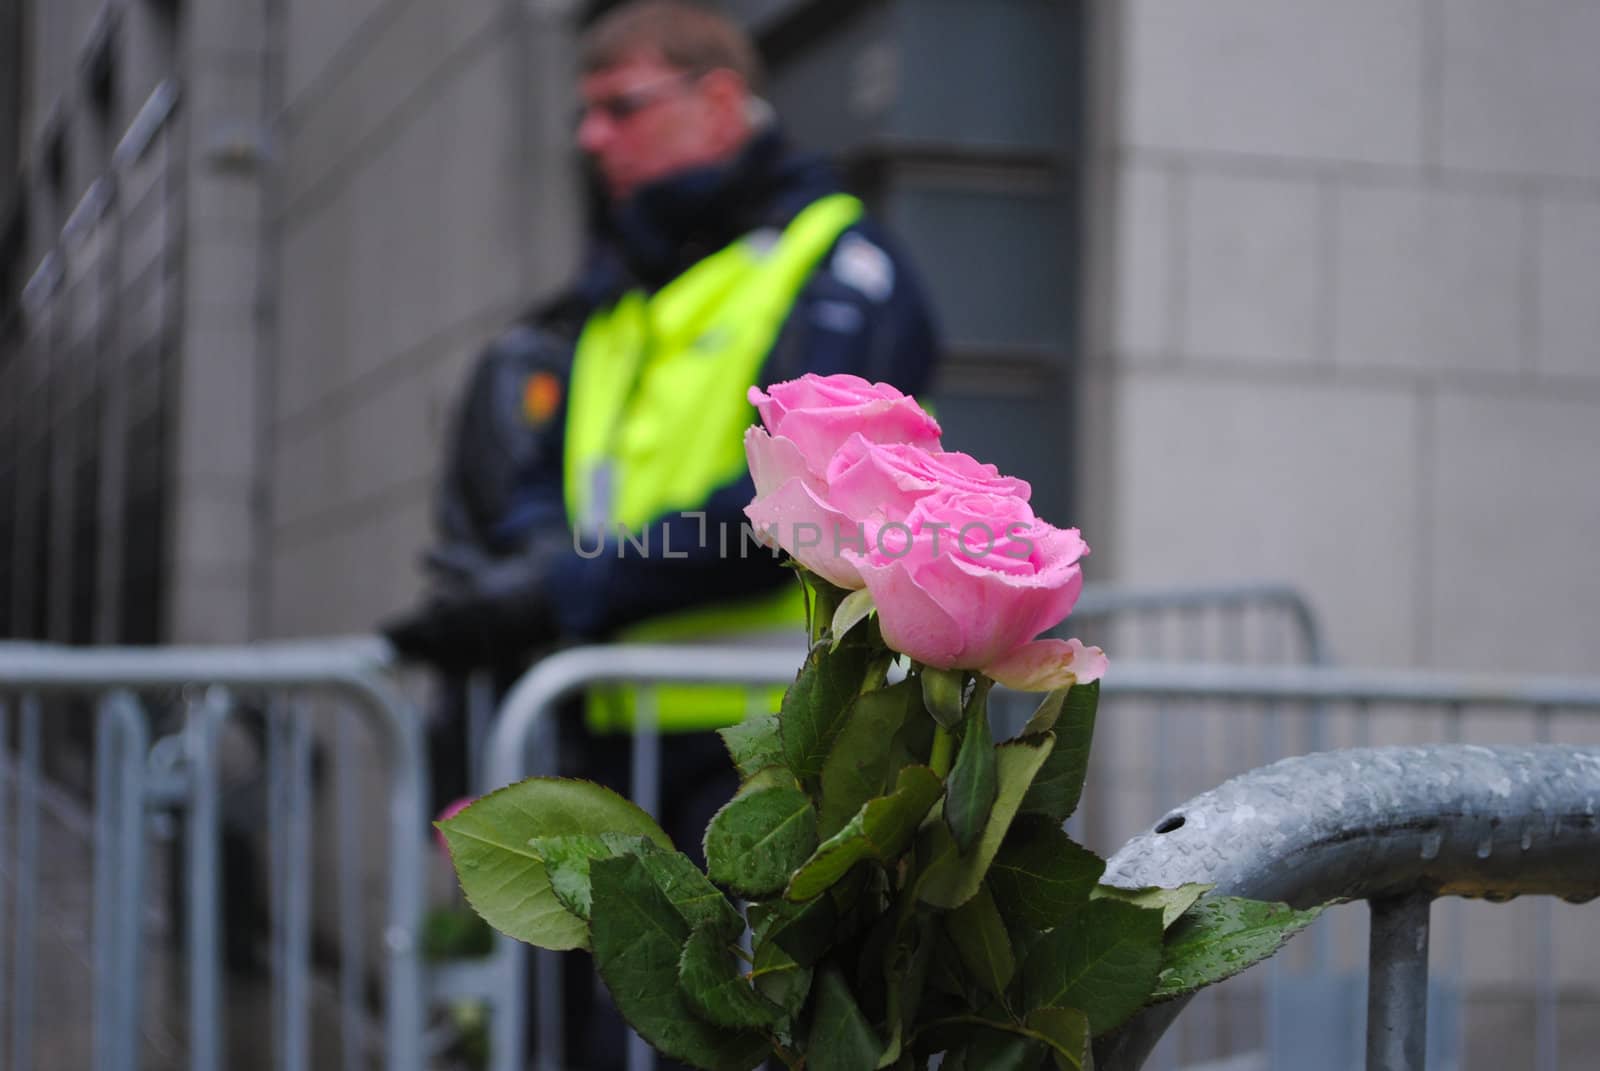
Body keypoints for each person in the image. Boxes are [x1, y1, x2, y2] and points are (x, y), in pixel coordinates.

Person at [381, 2, 939, 1062]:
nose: (590, 138)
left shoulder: (834, 260)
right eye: (586, 115)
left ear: (718, 100)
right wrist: (539, 564)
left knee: (719, 1038)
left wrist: (566, 591)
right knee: (589, 1039)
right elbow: (550, 487)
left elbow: (799, 505)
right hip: (605, 733)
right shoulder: (624, 292)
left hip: (767, 749)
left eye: (618, 108)